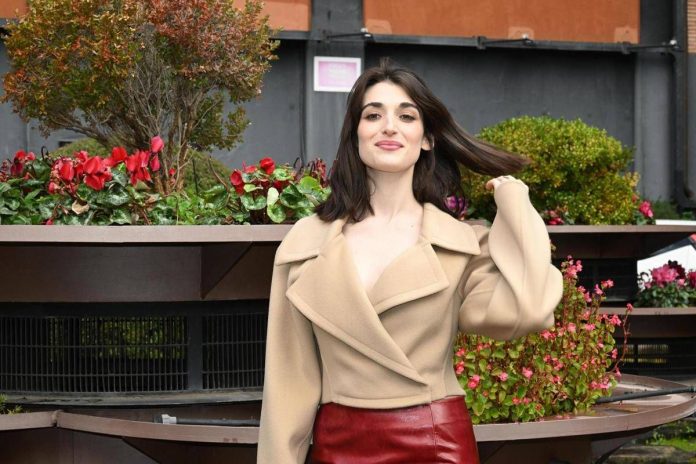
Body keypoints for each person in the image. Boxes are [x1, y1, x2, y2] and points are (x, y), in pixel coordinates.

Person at [257, 59, 563, 464]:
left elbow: (528, 310)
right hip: (337, 447)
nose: (389, 127)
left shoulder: (461, 246)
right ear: (355, 134)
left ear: (427, 138)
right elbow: (287, 386)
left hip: (436, 445)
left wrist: (514, 203)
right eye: (373, 115)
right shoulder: (306, 244)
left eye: (406, 116)